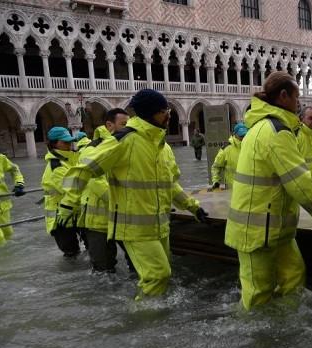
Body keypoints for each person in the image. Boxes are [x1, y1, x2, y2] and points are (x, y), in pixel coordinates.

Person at [58, 89, 208, 300]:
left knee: (161, 276)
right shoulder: (124, 140)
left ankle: (152, 316)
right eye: (165, 110)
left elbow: (170, 186)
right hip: (134, 228)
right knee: (157, 276)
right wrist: (68, 204)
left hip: (160, 225)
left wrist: (193, 206)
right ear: (152, 113)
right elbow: (83, 169)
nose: (169, 114)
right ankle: (143, 320)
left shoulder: (162, 146)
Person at [224, 71, 312, 311]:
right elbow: (302, 186)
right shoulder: (276, 132)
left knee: (293, 277)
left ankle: (283, 326)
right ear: (283, 96)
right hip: (255, 231)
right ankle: (256, 340)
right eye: (296, 96)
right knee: (257, 295)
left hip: (276, 230)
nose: (298, 102)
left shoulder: (267, 127)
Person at [77, 108, 133, 273]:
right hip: (99, 220)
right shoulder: (91, 149)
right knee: (103, 266)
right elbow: (95, 180)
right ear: (109, 125)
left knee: (136, 260)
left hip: (122, 217)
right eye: (123, 124)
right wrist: (122, 201)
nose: (127, 128)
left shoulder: (126, 144)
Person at [41, 127, 82, 256]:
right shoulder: (57, 166)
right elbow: (73, 189)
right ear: (53, 144)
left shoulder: (67, 161)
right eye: (65, 142)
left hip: (72, 215)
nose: (69, 145)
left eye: (70, 142)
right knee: (71, 254)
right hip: (61, 219)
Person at [211, 122, 247, 189]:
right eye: (241, 135)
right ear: (234, 134)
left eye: (245, 135)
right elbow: (216, 166)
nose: (243, 137)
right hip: (231, 189)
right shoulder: (226, 149)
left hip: (248, 188)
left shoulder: (251, 146)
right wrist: (216, 181)